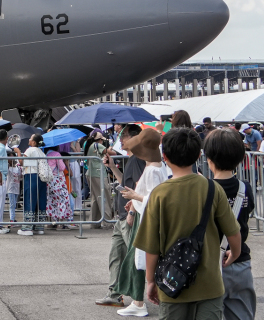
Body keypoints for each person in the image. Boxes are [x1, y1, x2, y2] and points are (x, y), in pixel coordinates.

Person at [132, 127, 240, 319]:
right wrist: (235, 254)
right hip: (209, 285)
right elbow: (233, 232)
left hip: (172, 284)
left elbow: (151, 247)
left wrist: (150, 281)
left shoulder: (159, 194)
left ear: (165, 156)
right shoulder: (213, 188)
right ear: (198, 155)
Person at [115, 129, 169, 317]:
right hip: (144, 214)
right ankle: (139, 301)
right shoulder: (157, 166)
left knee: (137, 259)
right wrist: (135, 200)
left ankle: (139, 302)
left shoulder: (152, 169)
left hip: (145, 218)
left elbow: (154, 198)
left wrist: (135, 197)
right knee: (138, 259)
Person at [204, 128, 256, 320]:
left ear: (209, 159)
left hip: (210, 264)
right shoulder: (245, 188)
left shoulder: (205, 189)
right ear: (241, 159)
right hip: (240, 261)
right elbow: (248, 211)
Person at [97, 124, 144, 308]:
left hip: (129, 216)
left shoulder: (138, 160)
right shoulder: (132, 159)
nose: (120, 139)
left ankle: (139, 298)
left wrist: (131, 211)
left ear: (135, 138)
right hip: (122, 216)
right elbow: (125, 183)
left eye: (124, 135)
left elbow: (139, 189)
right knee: (116, 255)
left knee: (135, 258)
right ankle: (114, 293)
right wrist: (112, 167)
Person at [17, 133, 48, 236]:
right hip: (41, 178)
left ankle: (27, 227)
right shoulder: (41, 152)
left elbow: (22, 162)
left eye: (30, 138)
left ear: (34, 142)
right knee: (40, 200)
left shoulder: (30, 150)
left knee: (29, 199)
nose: (29, 140)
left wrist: (18, 152)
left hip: (31, 176)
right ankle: (39, 227)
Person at [86, 129, 112, 228]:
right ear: (100, 139)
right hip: (98, 173)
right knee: (104, 197)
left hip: (91, 173)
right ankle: (107, 222)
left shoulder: (90, 145)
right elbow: (111, 153)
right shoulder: (98, 145)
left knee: (95, 198)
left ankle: (94, 222)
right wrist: (110, 148)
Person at [45, 144, 74, 230]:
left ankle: (52, 222)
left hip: (49, 181)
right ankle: (60, 223)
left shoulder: (46, 155)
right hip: (58, 180)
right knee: (62, 200)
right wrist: (65, 163)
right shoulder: (57, 154)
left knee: (51, 201)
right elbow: (61, 168)